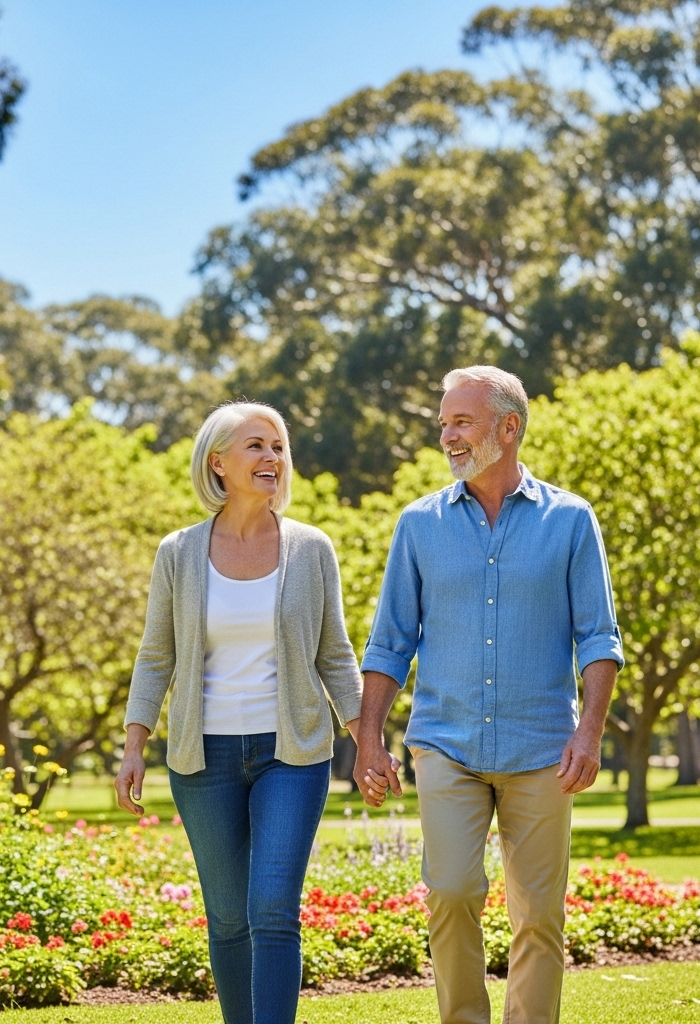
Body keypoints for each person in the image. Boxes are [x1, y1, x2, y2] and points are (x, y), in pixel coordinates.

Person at [353, 365, 623, 1024]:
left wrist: (588, 732)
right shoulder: (419, 525)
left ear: (509, 427)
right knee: (449, 891)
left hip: (542, 749)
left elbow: (598, 638)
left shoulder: (570, 520)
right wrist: (367, 739)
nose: (447, 435)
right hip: (446, 743)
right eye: (444, 422)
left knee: (538, 914)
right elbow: (390, 643)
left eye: (461, 422)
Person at [114, 401, 365, 1024]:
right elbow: (156, 655)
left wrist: (370, 741)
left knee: (273, 908)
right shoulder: (179, 552)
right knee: (227, 917)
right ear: (217, 463)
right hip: (205, 758)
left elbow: (335, 654)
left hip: (293, 752)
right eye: (256, 446)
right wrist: (133, 744)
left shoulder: (311, 549)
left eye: (278, 446)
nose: (272, 458)